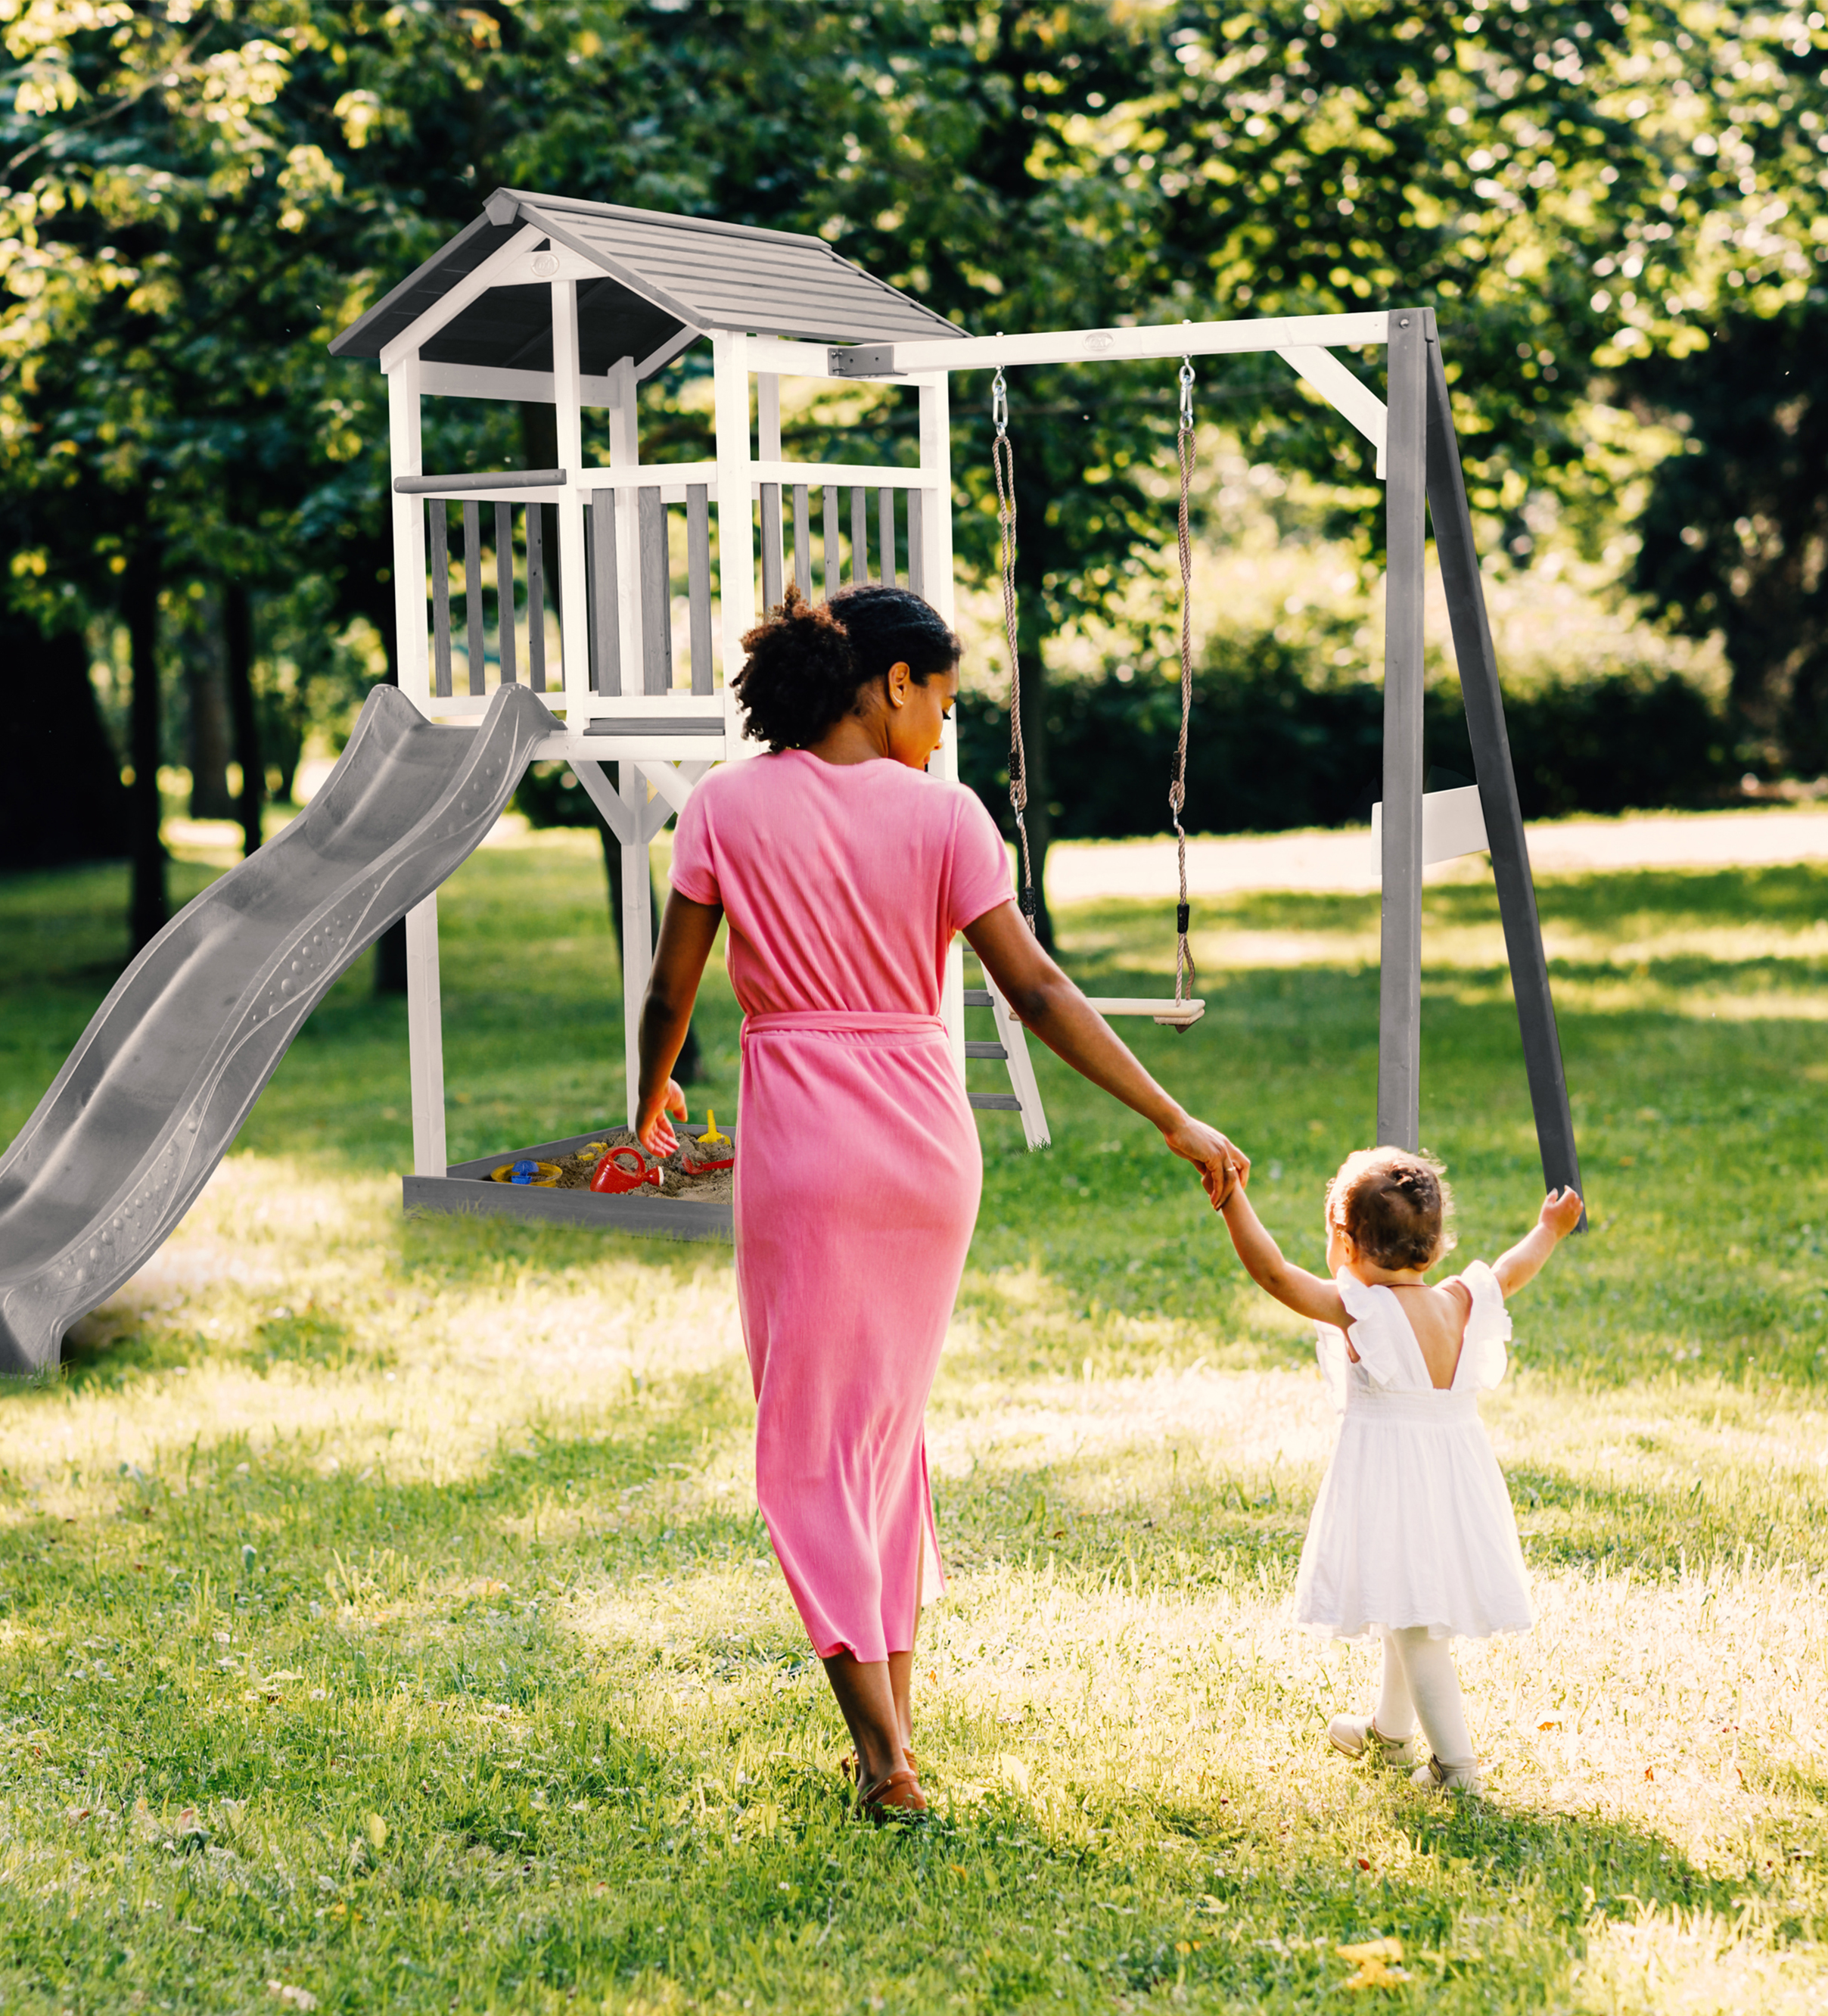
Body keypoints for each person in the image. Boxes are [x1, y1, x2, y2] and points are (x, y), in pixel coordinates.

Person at [633, 584, 1249, 1822]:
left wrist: (645, 1104)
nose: (944, 731)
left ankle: (881, 1759)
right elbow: (1037, 991)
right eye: (944, 703)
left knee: (810, 1450)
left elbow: (671, 990)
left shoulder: (723, 806)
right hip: (924, 1148)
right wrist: (1169, 1113)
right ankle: (894, 1735)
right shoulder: (947, 818)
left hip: (805, 1147)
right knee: (881, 1439)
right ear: (892, 683)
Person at [1214, 1147, 1584, 1794]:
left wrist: (1231, 1198)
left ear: (1346, 1242)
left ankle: (1456, 1768)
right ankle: (1389, 1734)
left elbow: (1273, 1274)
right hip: (1454, 1479)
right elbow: (1510, 1269)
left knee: (1414, 1625)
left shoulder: (1363, 1311)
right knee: (1401, 1599)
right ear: (1435, 1248)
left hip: (1394, 1482)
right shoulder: (1459, 1301)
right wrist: (1548, 1230)